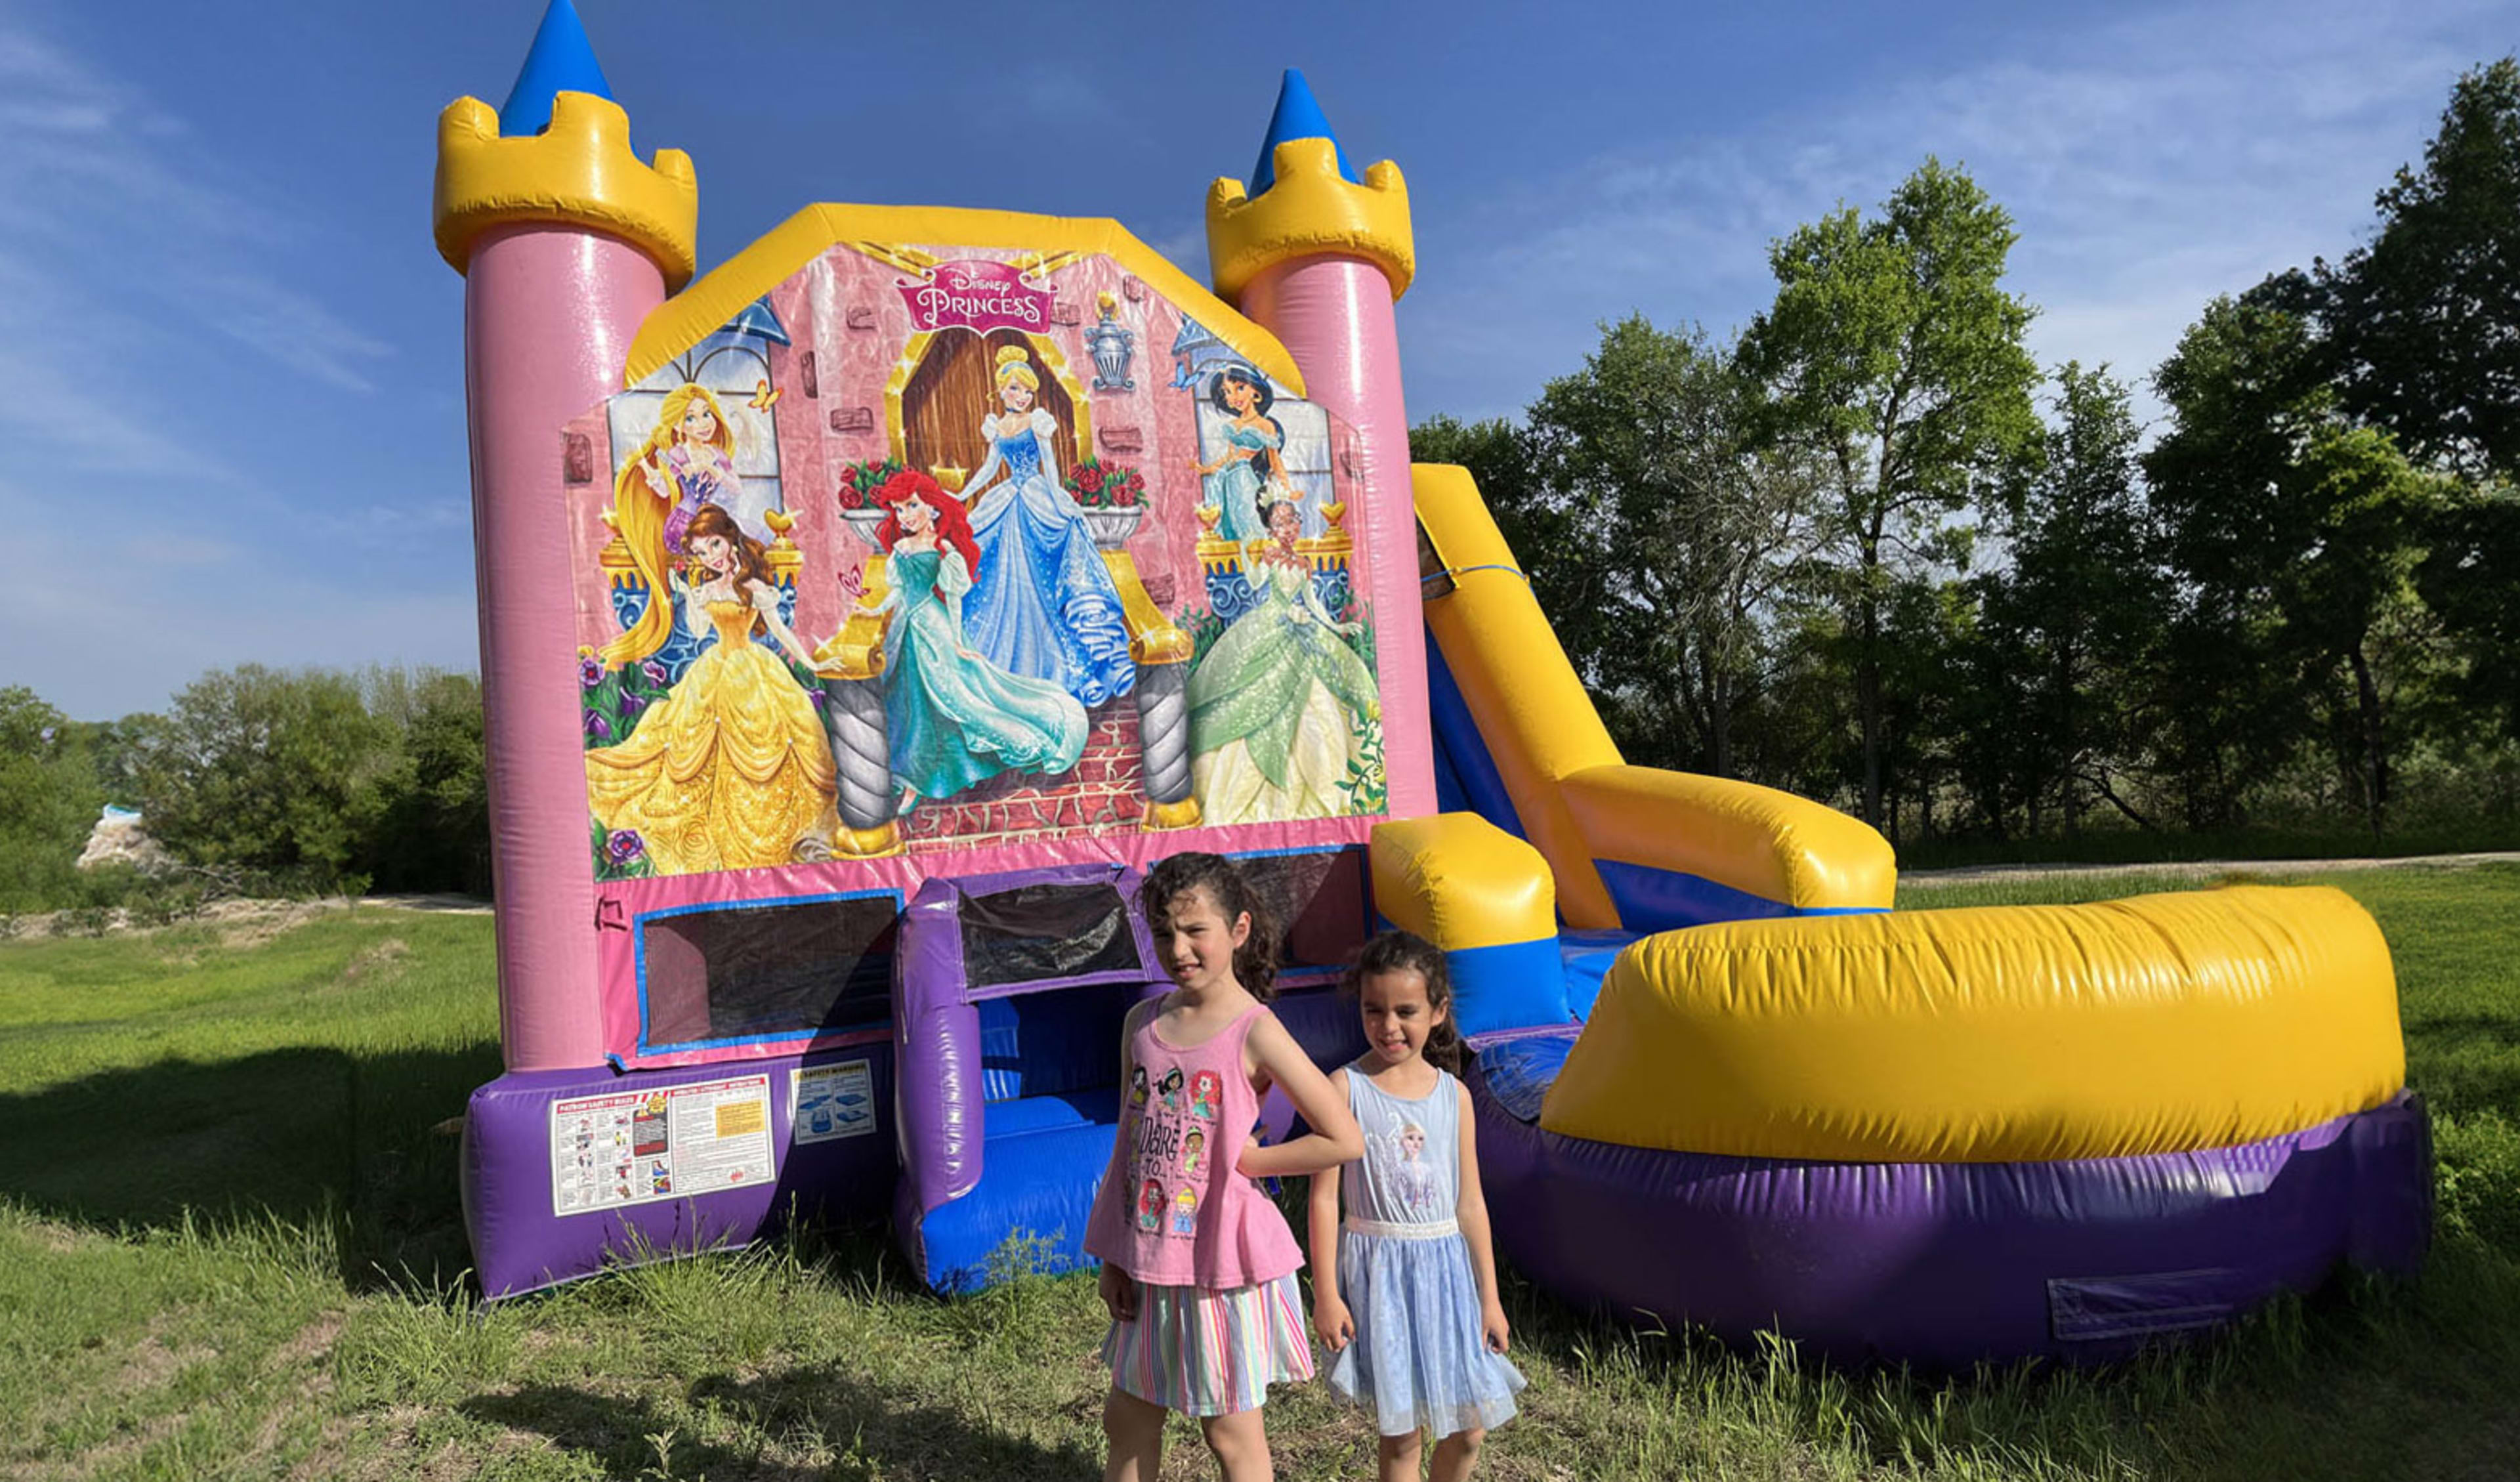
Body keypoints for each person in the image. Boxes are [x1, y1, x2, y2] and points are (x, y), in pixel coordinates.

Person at [1082, 853, 1366, 1482]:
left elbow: (1342, 1137)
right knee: (1127, 1418)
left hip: (1220, 1267)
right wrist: (1113, 1258)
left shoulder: (1255, 1031)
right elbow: (1130, 1149)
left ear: (1237, 931)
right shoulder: (1141, 1025)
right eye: (1163, 935)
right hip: (1151, 1264)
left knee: (1230, 1436)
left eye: (1195, 931)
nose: (1178, 949)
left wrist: (1253, 1159)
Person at [1309, 931, 1524, 1482]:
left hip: (1448, 1281)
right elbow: (1325, 1196)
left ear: (1438, 1011)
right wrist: (1327, 1295)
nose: (1388, 1026)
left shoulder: (1455, 1096)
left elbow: (1470, 1203)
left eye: (1406, 1011)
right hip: (1381, 1281)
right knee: (1402, 1437)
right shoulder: (1346, 1088)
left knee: (1469, 1428)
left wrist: (1490, 1298)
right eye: (1373, 1010)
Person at [585, 505, 839, 873]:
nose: (711, 557)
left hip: (755, 674)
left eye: (715, 545)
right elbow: (702, 630)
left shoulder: (754, 587)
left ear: (731, 537)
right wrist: (690, 597)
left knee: (776, 746)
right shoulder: (706, 588)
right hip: (714, 672)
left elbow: (781, 633)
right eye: (702, 552)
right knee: (693, 747)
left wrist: (813, 664)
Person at [865, 470, 1087, 814]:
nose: (905, 516)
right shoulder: (901, 547)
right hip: (907, 630)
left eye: (911, 506)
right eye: (898, 510)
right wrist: (872, 610)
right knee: (910, 703)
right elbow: (896, 592)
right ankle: (914, 778)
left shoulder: (944, 550)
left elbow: (953, 599)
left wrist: (956, 640)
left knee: (956, 700)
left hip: (935, 629)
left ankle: (927, 780)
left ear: (933, 508)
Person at [958, 343, 1137, 708]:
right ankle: (1005, 669)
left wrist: (1060, 501)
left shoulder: (1038, 422)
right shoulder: (998, 427)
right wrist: (963, 493)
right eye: (1014, 389)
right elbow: (991, 469)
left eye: (1027, 390)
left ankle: (1054, 668)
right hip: (1009, 499)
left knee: (1040, 579)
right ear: (1000, 390)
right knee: (999, 574)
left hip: (1036, 495)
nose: (1022, 396)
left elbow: (1050, 466)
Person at [1188, 499, 1382, 824]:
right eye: (1280, 524)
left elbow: (1313, 603)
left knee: (1321, 701)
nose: (1288, 529)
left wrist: (1338, 626)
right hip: (1271, 625)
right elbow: (1253, 584)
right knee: (1257, 697)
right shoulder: (1269, 556)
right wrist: (1247, 554)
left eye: (1293, 521)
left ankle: (1324, 783)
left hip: (1303, 627)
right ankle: (1260, 793)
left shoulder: (1304, 562)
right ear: (1270, 529)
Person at [602, 383, 747, 667]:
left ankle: (726, 624)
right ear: (679, 426)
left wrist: (712, 470)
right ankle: (694, 615)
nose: (702, 424)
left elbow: (735, 488)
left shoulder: (719, 456)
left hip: (714, 522)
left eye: (707, 414)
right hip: (685, 524)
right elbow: (667, 492)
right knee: (701, 562)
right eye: (691, 418)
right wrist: (650, 473)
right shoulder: (678, 455)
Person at [1188, 365, 1286, 543]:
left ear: (1256, 392)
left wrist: (1286, 488)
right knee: (1229, 519)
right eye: (1227, 392)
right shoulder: (1233, 425)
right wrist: (1209, 469)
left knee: (1248, 518)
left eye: (1240, 388)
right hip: (1226, 478)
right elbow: (1230, 455)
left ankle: (1258, 562)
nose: (1233, 397)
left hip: (1244, 477)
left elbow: (1275, 461)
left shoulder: (1265, 425)